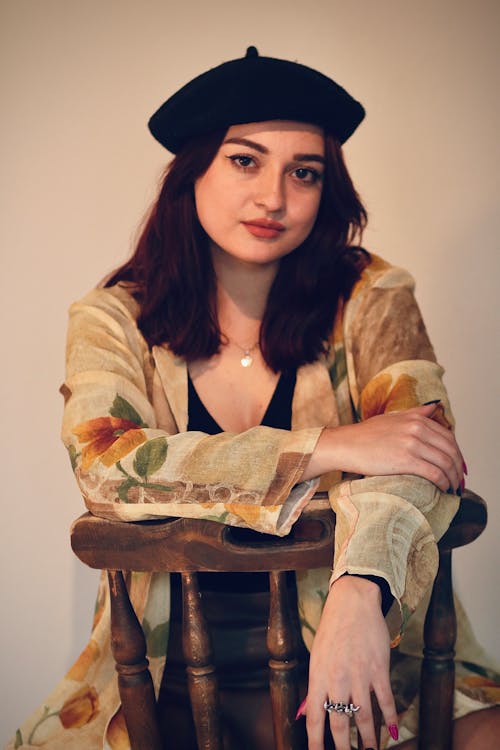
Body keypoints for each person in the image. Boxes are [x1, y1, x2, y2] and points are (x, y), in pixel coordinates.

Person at [7, 47, 500, 750]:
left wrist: (358, 594)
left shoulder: (370, 297)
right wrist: (327, 447)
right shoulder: (112, 317)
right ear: (193, 170)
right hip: (159, 676)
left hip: (364, 656)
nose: (274, 197)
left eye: (304, 172)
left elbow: (420, 450)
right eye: (246, 161)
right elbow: (105, 464)